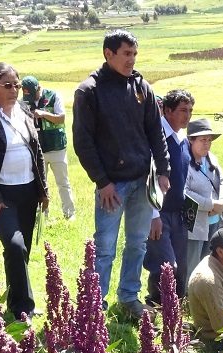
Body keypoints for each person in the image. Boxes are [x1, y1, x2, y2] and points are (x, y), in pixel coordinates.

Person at [73, 29, 170, 320]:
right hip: (111, 185)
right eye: (126, 53)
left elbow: (156, 132)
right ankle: (95, 306)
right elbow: (83, 142)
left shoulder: (142, 87)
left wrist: (163, 170)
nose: (132, 60)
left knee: (137, 243)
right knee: (104, 247)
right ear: (109, 53)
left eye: (135, 54)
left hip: (142, 181)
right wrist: (102, 182)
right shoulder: (89, 90)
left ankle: (128, 296)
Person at [0, 63, 48, 320]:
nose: (14, 90)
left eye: (17, 85)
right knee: (15, 247)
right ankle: (24, 308)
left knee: (22, 251)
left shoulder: (23, 110)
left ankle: (17, 303)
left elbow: (36, 151)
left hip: (28, 191)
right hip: (0, 196)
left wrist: (43, 190)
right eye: (7, 85)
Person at [143, 89, 194, 304]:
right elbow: (148, 177)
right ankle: (155, 305)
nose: (187, 115)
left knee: (180, 269)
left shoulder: (182, 139)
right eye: (183, 110)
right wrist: (153, 215)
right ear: (167, 110)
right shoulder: (156, 138)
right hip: (159, 213)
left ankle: (175, 312)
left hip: (179, 214)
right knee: (165, 266)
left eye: (190, 110)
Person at [182, 118, 223, 288]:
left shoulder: (211, 158)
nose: (207, 144)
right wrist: (210, 205)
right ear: (191, 140)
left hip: (215, 221)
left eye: (209, 140)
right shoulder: (184, 162)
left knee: (210, 265)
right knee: (192, 266)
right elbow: (184, 192)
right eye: (202, 140)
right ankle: (188, 297)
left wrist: (222, 202)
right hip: (194, 223)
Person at [20, 75, 75, 219]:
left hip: (57, 146)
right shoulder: (24, 102)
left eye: (32, 94)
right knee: (40, 186)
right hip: (37, 150)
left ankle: (69, 214)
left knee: (63, 183)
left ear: (38, 88)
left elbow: (61, 118)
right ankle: (42, 217)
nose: (30, 98)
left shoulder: (53, 96)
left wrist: (43, 114)